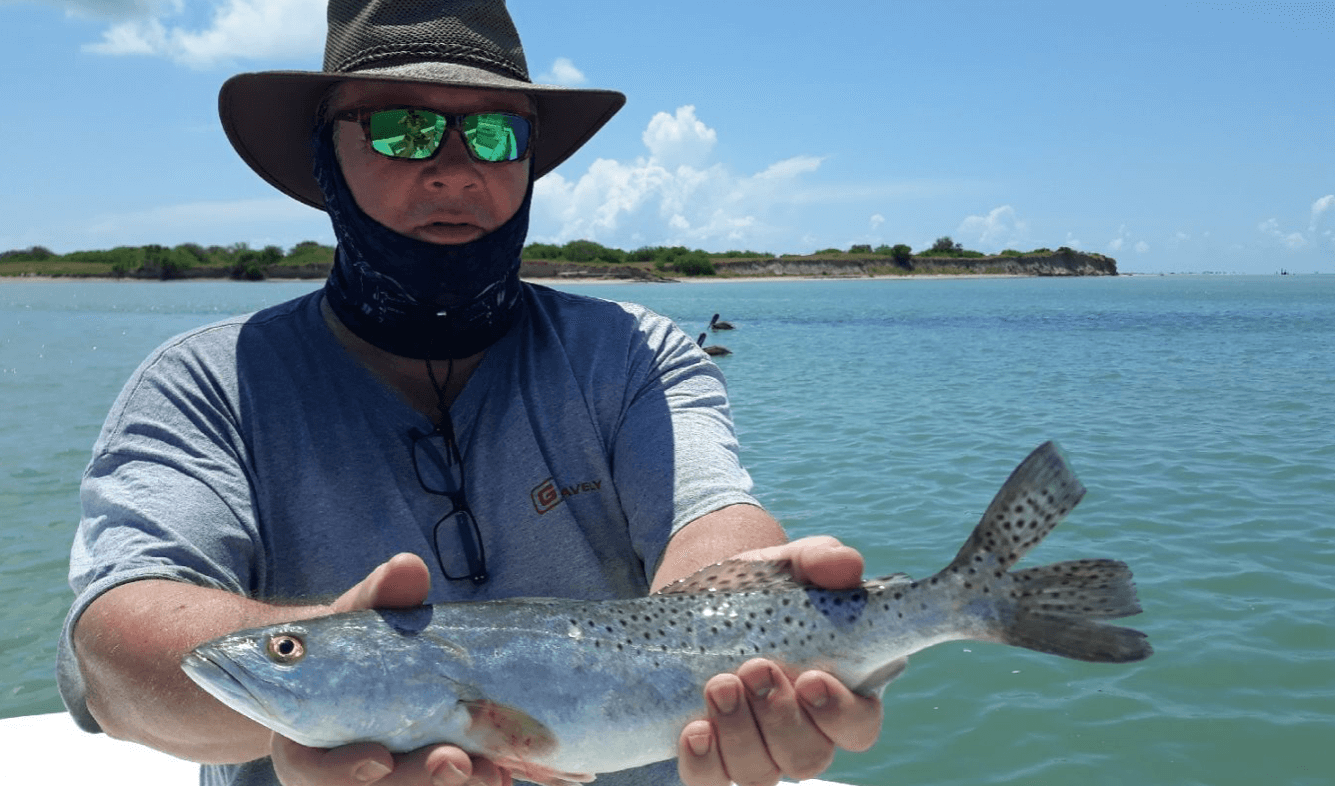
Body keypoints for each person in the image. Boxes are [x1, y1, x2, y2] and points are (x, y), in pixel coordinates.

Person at [56, 2, 887, 785]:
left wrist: (760, 637)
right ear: (325, 154)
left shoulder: (634, 354)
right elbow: (114, 651)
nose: (454, 171)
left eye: (494, 132)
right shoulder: (205, 382)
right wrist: (336, 677)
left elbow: (712, 519)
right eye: (401, 127)